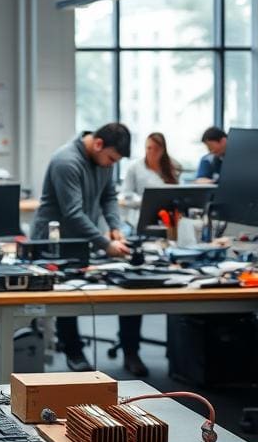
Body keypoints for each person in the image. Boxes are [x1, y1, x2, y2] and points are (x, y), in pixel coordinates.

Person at [30, 123, 148, 377]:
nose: (110, 164)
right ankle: (73, 351)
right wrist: (105, 244)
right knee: (69, 295)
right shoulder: (66, 161)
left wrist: (115, 228)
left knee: (130, 286)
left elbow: (109, 197)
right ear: (97, 144)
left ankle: (131, 350)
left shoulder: (105, 160)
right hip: (54, 241)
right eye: (110, 159)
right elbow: (72, 213)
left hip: (84, 239)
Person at [121, 132, 181, 212]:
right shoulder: (134, 168)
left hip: (167, 213)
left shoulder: (173, 168)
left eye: (156, 149)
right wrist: (141, 201)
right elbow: (125, 195)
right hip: (142, 211)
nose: (152, 152)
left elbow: (177, 194)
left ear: (163, 150)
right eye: (149, 148)